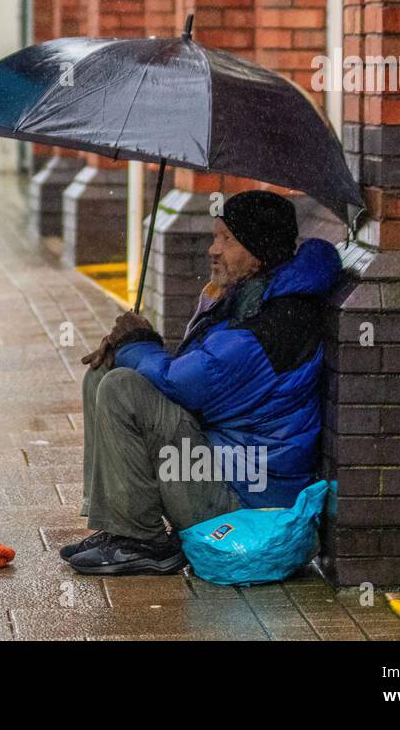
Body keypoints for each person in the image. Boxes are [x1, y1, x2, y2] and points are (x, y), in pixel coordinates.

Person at [60, 191, 342, 576]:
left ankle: (144, 543)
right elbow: (195, 374)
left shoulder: (270, 324)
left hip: (248, 499)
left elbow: (184, 384)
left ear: (258, 252)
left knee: (121, 388)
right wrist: (132, 345)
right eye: (215, 237)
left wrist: (136, 341)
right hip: (226, 465)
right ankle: (119, 529)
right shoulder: (254, 298)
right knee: (103, 375)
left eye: (227, 239)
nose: (213, 249)